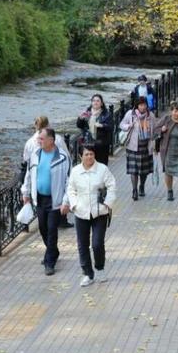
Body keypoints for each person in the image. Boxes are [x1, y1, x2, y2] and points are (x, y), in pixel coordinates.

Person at [64, 143, 117, 287]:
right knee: (83, 245)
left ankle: (100, 268)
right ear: (81, 156)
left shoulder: (102, 170)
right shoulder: (75, 171)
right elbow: (71, 189)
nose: (89, 157)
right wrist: (74, 204)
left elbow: (112, 185)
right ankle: (87, 273)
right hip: (81, 212)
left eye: (91, 154)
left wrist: (107, 203)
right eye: (86, 154)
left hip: (99, 212)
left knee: (97, 243)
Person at [22, 128, 72, 275]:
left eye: (41, 139)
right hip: (40, 198)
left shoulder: (62, 157)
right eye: (39, 139)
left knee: (51, 230)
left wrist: (66, 201)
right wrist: (25, 192)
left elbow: (69, 181)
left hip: (55, 200)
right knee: (43, 228)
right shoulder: (35, 155)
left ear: (51, 140)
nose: (38, 141)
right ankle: (53, 251)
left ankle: (49, 262)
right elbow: (28, 175)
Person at [23, 116, 73, 228]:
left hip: (41, 184)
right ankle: (62, 220)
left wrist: (26, 192)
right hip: (52, 182)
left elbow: (26, 159)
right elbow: (66, 155)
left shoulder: (30, 142)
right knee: (45, 226)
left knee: (50, 228)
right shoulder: (57, 138)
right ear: (48, 124)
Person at [118, 98, 156, 200]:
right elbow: (121, 124)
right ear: (137, 106)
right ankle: (134, 190)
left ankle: (142, 186)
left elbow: (155, 129)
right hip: (133, 146)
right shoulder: (131, 114)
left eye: (144, 105)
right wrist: (128, 126)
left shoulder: (150, 115)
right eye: (140, 105)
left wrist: (154, 142)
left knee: (144, 171)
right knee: (133, 170)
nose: (142, 107)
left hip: (145, 146)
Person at [76, 94, 114, 165]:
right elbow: (79, 126)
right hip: (88, 144)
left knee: (100, 166)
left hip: (101, 145)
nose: (95, 102)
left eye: (97, 101)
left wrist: (102, 125)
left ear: (101, 103)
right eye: (93, 101)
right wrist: (80, 119)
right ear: (91, 102)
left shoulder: (106, 114)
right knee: (88, 166)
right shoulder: (87, 113)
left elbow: (111, 127)